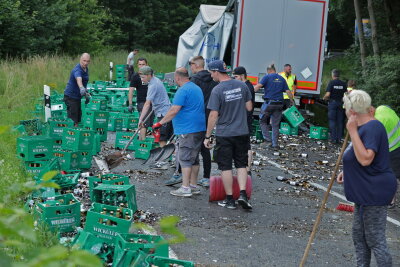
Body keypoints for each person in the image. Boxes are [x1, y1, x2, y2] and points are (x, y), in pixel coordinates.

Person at [336, 90, 396, 267]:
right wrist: (348, 171)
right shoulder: (364, 127)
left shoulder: (373, 127)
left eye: (346, 108)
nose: (345, 111)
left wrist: (352, 131)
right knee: (359, 237)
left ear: (352, 112)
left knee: (375, 239)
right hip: (364, 190)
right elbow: (358, 155)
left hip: (375, 191)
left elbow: (365, 158)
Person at [204, 60, 253, 210]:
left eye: (211, 72)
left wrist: (207, 136)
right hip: (242, 132)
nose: (211, 75)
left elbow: (213, 115)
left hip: (225, 133)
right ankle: (243, 194)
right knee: (241, 164)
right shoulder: (242, 85)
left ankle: (230, 199)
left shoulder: (217, 90)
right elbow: (249, 107)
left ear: (217, 71)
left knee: (225, 167)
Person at [154, 68, 206, 197]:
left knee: (185, 158)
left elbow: (174, 110)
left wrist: (160, 123)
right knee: (194, 159)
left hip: (187, 129)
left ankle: (185, 187)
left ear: (178, 78)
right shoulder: (196, 88)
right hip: (199, 128)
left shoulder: (182, 90)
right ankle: (193, 186)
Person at [189, 56, 218, 187]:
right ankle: (206, 177)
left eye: (191, 65)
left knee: (191, 146)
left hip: (196, 116)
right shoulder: (213, 78)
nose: (190, 67)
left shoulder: (195, 80)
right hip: (209, 115)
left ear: (195, 65)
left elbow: (191, 99)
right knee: (204, 147)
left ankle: (187, 176)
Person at [254, 64, 294, 148]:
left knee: (263, 121)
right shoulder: (282, 78)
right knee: (275, 124)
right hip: (279, 104)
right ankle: (275, 144)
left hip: (269, 104)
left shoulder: (267, 77)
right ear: (275, 70)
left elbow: (257, 87)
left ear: (268, 70)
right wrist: (291, 101)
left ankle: (268, 140)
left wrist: (249, 93)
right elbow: (288, 91)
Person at [372, 105, 400, 208]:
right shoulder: (383, 108)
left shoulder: (377, 121)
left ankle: (390, 201)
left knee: (392, 175)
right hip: (396, 145)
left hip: (394, 148)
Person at [138, 66, 173, 149]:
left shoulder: (153, 85)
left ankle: (162, 159)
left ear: (149, 75)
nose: (141, 79)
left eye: (143, 77)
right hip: (163, 110)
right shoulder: (155, 80)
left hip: (163, 112)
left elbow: (147, 104)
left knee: (162, 137)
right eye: (141, 77)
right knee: (163, 136)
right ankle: (165, 157)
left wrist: (141, 120)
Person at [233, 66, 255, 175]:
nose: (235, 78)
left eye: (236, 76)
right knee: (245, 145)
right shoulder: (247, 86)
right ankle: (246, 169)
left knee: (246, 146)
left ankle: (247, 169)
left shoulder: (246, 87)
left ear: (242, 76)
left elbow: (247, 107)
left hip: (245, 121)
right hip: (244, 121)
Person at [128, 58, 155, 140]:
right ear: (137, 65)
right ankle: (142, 142)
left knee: (148, 123)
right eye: (139, 64)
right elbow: (131, 90)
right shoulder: (135, 76)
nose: (141, 66)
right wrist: (130, 104)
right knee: (143, 123)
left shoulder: (150, 75)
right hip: (142, 102)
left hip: (151, 102)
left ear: (146, 64)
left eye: (143, 64)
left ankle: (140, 140)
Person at [63, 53, 91, 127]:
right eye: (84, 61)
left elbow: (84, 82)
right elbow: (79, 79)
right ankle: (71, 136)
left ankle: (76, 133)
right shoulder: (77, 69)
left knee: (78, 117)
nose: (85, 63)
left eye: (87, 61)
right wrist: (81, 88)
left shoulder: (85, 69)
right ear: (80, 60)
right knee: (73, 120)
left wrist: (86, 93)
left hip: (77, 97)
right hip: (71, 96)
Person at [323, 69, 347, 144]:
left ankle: (333, 139)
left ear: (333, 75)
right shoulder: (343, 84)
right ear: (338, 75)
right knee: (340, 121)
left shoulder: (331, 83)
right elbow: (346, 94)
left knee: (332, 120)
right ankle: (339, 139)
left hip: (333, 103)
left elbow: (328, 95)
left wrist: (324, 98)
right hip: (341, 104)